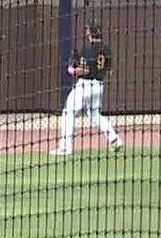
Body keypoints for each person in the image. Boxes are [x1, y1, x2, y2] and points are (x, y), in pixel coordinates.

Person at [52, 22, 123, 156]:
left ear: (90, 33)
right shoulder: (107, 49)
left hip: (85, 84)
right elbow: (110, 71)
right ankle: (115, 139)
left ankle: (65, 147)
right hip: (99, 86)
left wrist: (72, 70)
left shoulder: (87, 48)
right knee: (95, 114)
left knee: (68, 112)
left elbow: (84, 70)